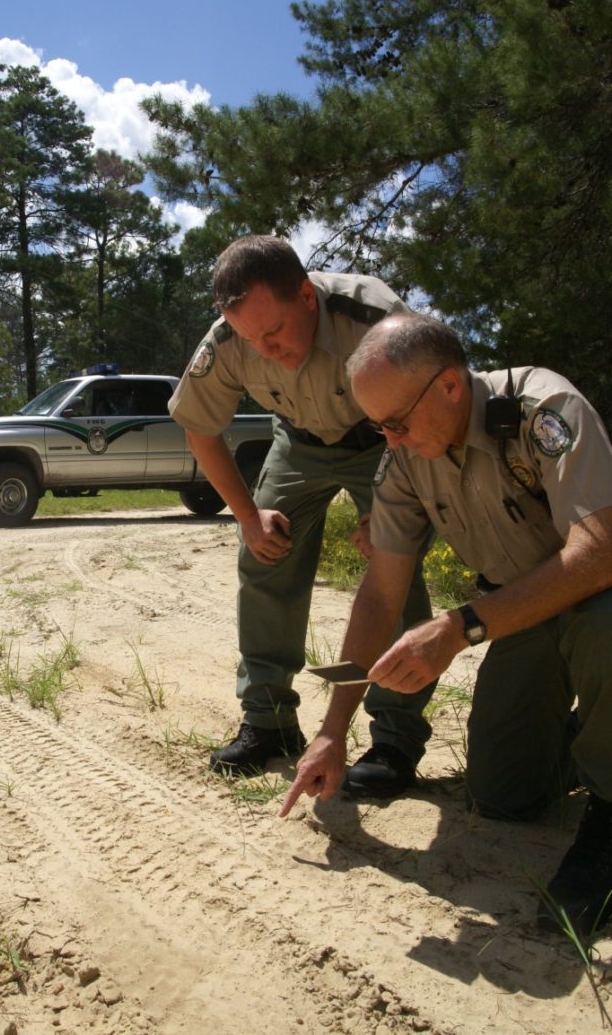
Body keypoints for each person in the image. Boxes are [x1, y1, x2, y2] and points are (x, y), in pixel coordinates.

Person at [280, 312, 612, 935]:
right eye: (378, 427)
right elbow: (381, 596)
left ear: (452, 386)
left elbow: (598, 553)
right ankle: (589, 738)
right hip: (522, 613)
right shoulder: (404, 462)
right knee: (502, 799)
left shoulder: (543, 410)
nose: (391, 440)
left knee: (605, 626)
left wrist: (460, 629)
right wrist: (332, 732)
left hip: (598, 597)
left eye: (397, 422)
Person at [168, 234, 433, 780]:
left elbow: (428, 418)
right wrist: (246, 517)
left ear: (307, 297)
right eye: (248, 338)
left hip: (386, 443)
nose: (263, 350)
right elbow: (199, 428)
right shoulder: (228, 340)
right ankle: (267, 722)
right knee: (265, 555)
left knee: (396, 569)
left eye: (274, 332)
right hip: (298, 441)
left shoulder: (376, 318)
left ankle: (395, 739)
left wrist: (390, 510)